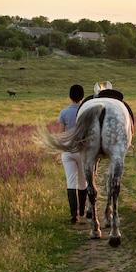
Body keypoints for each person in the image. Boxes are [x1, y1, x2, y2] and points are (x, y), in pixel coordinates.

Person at [58, 84, 88, 224]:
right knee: (83, 181)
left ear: (70, 96)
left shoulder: (63, 113)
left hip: (68, 151)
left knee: (71, 181)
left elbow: (61, 135)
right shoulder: (86, 112)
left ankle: (74, 215)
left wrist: (59, 152)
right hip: (82, 150)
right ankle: (82, 210)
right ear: (82, 96)